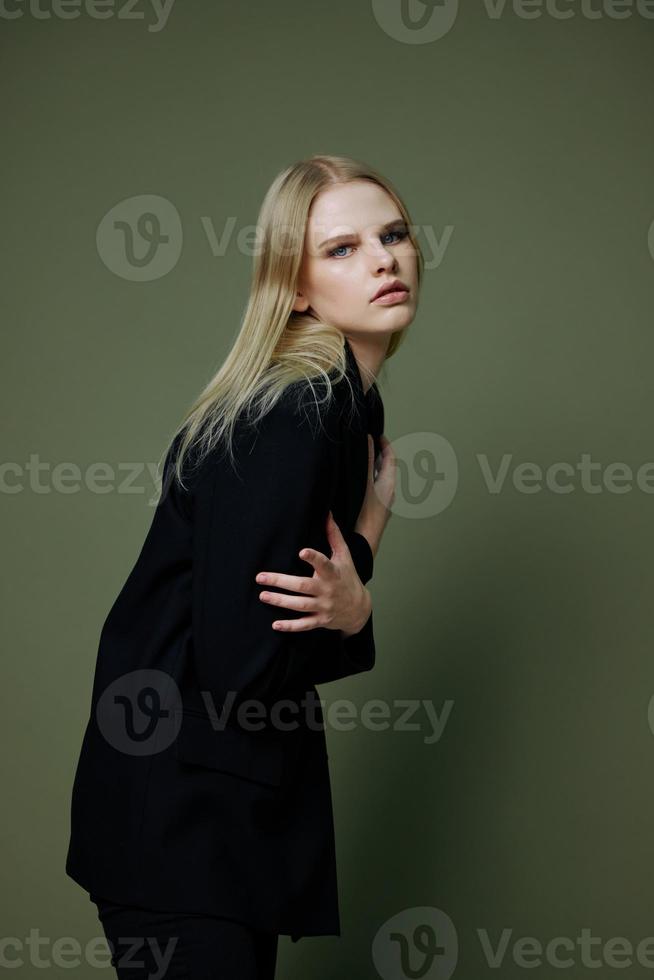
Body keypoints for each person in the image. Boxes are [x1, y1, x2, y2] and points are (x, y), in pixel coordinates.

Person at [65, 154, 423, 978]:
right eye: (341, 248)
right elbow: (241, 663)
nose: (381, 258)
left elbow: (270, 607)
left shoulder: (346, 403)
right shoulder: (296, 411)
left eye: (393, 234)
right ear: (294, 288)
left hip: (213, 813)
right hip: (180, 820)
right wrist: (365, 551)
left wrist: (355, 581)